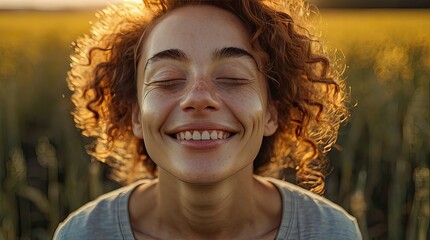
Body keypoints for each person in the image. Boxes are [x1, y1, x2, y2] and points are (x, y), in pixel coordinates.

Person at [54, 0, 362, 239]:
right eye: (167, 79)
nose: (199, 98)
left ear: (272, 113)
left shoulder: (331, 232)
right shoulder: (81, 235)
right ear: (135, 114)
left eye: (231, 77)